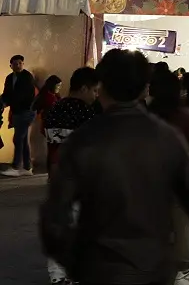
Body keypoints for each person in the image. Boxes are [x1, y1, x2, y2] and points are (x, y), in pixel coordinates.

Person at [40, 49, 189, 285]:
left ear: (102, 86)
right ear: (143, 88)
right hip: (152, 264)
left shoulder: (84, 139)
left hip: (100, 265)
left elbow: (56, 211)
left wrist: (73, 261)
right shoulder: (166, 137)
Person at [148, 64, 189, 285]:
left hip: (151, 177)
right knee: (183, 223)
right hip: (180, 178)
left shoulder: (147, 114)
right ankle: (183, 269)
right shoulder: (183, 115)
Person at [41, 67, 99, 285]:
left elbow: (51, 142)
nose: (95, 95)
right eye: (94, 90)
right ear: (83, 88)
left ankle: (57, 276)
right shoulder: (88, 113)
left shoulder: (55, 108)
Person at [2, 54, 37, 176]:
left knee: (18, 139)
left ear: (23, 64)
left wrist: (8, 102)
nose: (18, 65)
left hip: (27, 112)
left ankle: (16, 166)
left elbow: (24, 96)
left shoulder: (27, 77)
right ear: (11, 66)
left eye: (20, 63)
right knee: (22, 139)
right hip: (17, 112)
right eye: (15, 64)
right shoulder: (9, 78)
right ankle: (27, 167)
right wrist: (2, 102)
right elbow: (6, 94)